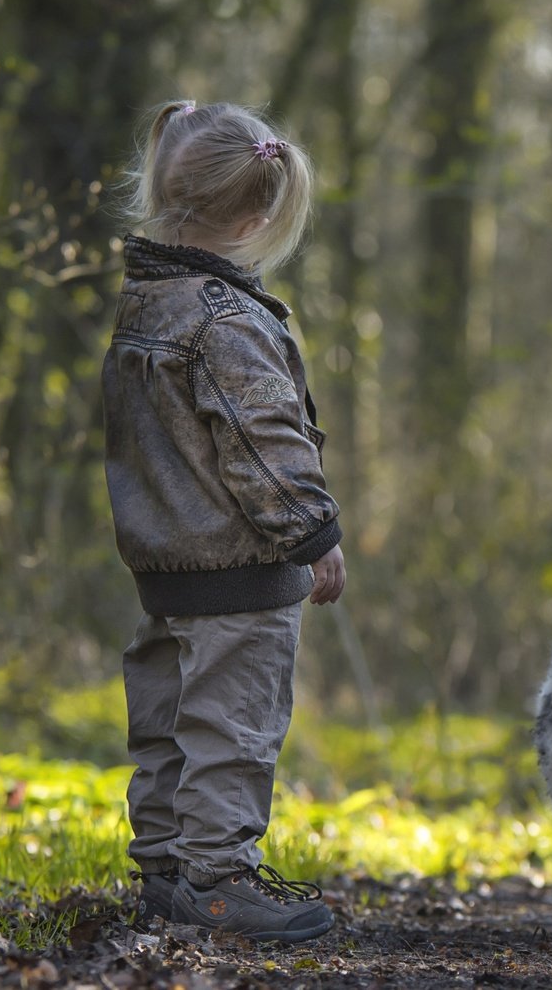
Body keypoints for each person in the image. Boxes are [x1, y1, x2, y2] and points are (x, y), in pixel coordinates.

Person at [102, 101, 346, 943]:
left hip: (164, 569)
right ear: (255, 216)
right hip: (237, 573)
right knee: (231, 730)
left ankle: (165, 870)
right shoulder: (225, 321)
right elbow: (262, 442)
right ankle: (215, 881)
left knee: (167, 725)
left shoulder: (145, 306)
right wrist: (314, 539)